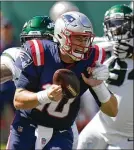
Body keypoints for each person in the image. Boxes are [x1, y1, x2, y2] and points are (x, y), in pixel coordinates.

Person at [7, 11, 118, 150]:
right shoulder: (39, 52)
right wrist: (45, 95)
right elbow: (18, 101)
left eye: (86, 39)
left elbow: (113, 111)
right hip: (26, 125)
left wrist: (98, 86)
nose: (83, 45)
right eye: (78, 38)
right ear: (61, 36)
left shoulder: (91, 59)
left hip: (60, 132)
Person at [77, 4, 133, 149]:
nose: (117, 30)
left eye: (122, 26)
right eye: (113, 25)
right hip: (103, 122)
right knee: (80, 144)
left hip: (128, 132)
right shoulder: (104, 47)